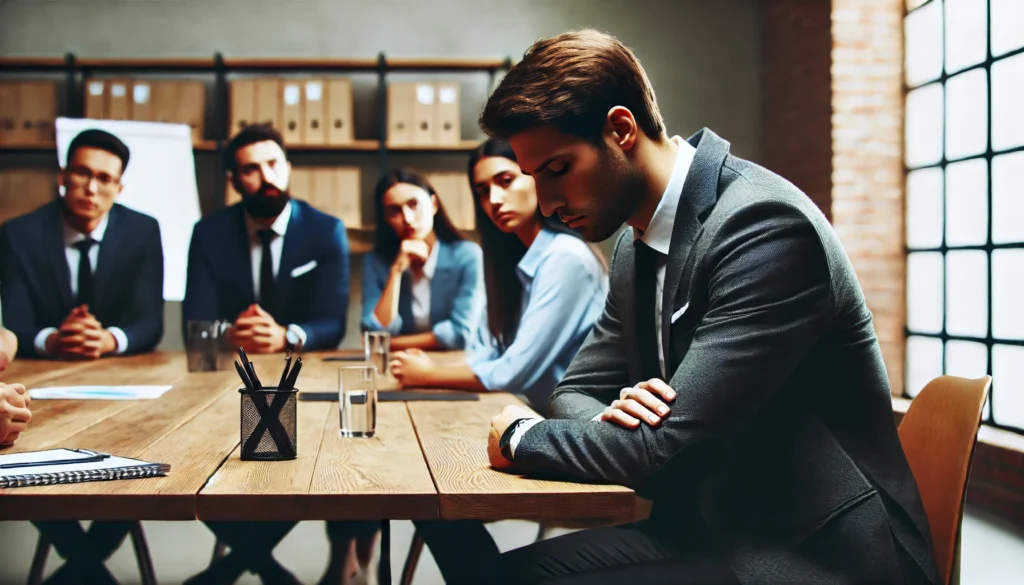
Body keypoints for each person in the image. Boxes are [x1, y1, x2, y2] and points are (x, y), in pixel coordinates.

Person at [424, 30, 940, 585]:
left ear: (620, 130)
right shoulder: (633, 245)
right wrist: (614, 420)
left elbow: (663, 448)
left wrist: (520, 437)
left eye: (556, 170)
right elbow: (572, 392)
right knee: (486, 574)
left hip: (819, 551)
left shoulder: (763, 228)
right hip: (709, 523)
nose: (546, 204)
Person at [389, 139, 608, 411]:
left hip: (584, 430)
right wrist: (428, 366)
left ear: (536, 178)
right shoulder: (518, 260)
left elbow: (513, 371)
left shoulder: (566, 258)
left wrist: (429, 374)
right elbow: (494, 351)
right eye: (482, 191)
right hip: (544, 418)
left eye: (505, 181)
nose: (493, 200)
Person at [182, 124, 350, 353]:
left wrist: (286, 336)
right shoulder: (208, 234)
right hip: (233, 365)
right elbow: (195, 323)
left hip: (301, 364)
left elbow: (333, 323)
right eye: (251, 169)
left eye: (273, 164)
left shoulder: (326, 230)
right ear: (234, 182)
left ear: (288, 168)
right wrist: (230, 334)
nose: (267, 177)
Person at [0, 129, 164, 360]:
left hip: (119, 368)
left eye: (104, 179)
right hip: (43, 367)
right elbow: (15, 322)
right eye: (82, 173)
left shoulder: (143, 231)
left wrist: (110, 340)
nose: (91, 189)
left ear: (119, 189)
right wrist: (53, 340)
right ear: (63, 176)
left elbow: (149, 323)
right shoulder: (18, 235)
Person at [361, 169, 483, 351]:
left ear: (433, 204)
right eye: (394, 211)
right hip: (401, 366)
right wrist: (396, 271)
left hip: (459, 364)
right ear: (386, 219)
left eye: (414, 205)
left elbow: (460, 334)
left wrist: (391, 344)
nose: (408, 219)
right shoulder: (377, 262)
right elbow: (376, 329)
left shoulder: (467, 255)